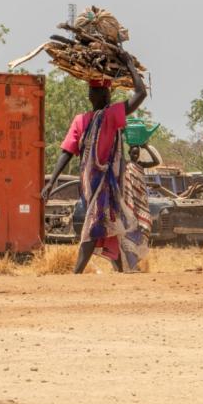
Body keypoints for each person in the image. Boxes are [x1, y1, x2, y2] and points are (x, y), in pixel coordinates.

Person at [43, 58, 151, 274]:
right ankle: (123, 271)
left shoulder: (111, 115)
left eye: (97, 92)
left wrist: (130, 66)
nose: (94, 96)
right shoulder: (82, 120)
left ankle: (76, 273)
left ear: (106, 95)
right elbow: (67, 151)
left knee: (95, 223)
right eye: (92, 92)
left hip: (106, 183)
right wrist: (51, 181)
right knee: (108, 226)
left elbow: (141, 94)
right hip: (89, 185)